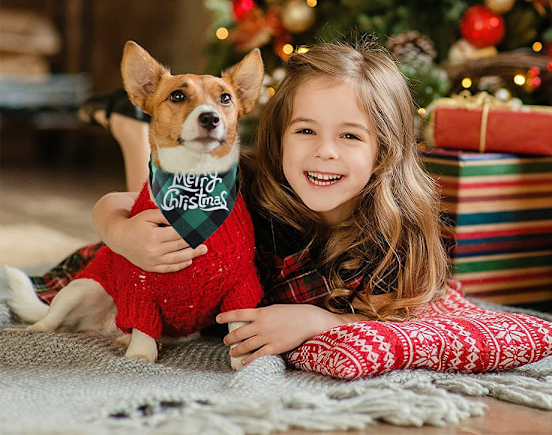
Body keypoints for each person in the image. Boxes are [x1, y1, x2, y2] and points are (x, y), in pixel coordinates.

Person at [30, 40, 449, 366]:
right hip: (144, 271)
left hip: (206, 306)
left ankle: (129, 126)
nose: (325, 152)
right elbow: (119, 204)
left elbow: (410, 323)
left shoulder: (397, 235)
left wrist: (323, 321)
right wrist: (117, 231)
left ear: (386, 149)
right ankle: (132, 131)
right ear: (278, 133)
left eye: (350, 136)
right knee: (158, 204)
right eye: (305, 131)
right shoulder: (248, 179)